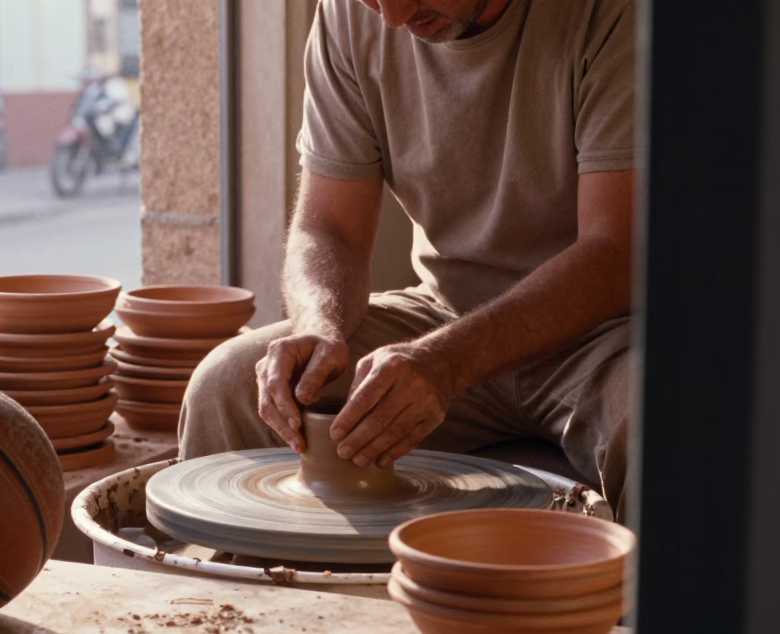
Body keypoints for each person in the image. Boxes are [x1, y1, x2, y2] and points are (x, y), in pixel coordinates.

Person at [179, 0, 637, 520]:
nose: (392, 18)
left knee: (663, 424)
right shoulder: (350, 15)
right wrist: (319, 326)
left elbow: (616, 251)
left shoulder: (613, 14)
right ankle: (235, 603)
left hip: (604, 334)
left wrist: (446, 362)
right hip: (442, 313)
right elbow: (330, 227)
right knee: (226, 387)